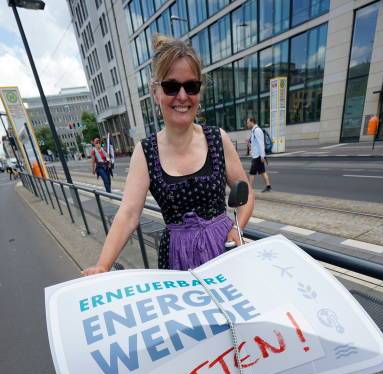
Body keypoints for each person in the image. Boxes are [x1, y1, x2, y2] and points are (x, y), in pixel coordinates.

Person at [82, 35, 254, 276]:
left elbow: (245, 191)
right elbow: (129, 213)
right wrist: (103, 265)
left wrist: (237, 228)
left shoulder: (218, 139)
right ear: (156, 93)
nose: (182, 96)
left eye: (191, 86)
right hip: (178, 258)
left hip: (224, 248)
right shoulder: (146, 152)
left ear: (199, 92)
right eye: (172, 86)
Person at [246, 117, 271, 193]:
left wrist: (262, 156)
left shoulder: (257, 130)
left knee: (252, 173)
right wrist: (249, 145)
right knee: (262, 172)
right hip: (256, 155)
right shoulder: (253, 131)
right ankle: (268, 186)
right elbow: (255, 145)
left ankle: (249, 190)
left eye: (248, 123)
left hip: (258, 156)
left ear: (252, 122)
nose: (247, 124)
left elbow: (261, 144)